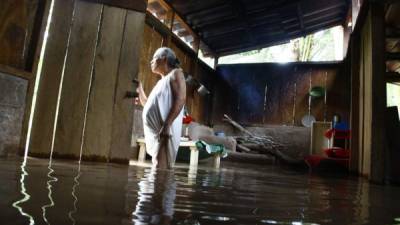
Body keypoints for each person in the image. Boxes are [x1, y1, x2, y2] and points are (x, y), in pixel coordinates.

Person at [136, 47, 186, 169]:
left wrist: (167, 125)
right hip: (158, 134)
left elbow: (181, 98)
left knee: (160, 169)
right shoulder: (161, 82)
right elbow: (148, 104)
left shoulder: (176, 73)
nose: (151, 62)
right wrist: (140, 89)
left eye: (154, 58)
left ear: (163, 59)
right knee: (157, 167)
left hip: (164, 133)